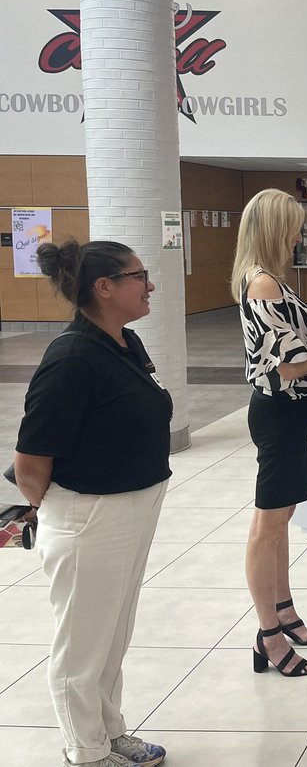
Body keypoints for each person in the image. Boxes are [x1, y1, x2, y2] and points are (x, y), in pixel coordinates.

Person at [14, 240, 170, 767]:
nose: (150, 285)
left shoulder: (124, 342)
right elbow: (31, 462)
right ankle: (85, 751)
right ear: (104, 287)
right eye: (139, 275)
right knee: (82, 642)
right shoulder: (71, 357)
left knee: (112, 633)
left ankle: (108, 729)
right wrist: (63, 513)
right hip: (88, 515)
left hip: (133, 506)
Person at [233, 188, 307, 678]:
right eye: (294, 226)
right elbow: (289, 364)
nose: (300, 235)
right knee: (267, 524)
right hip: (278, 412)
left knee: (282, 517)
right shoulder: (263, 286)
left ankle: (284, 610)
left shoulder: (269, 281)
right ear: (275, 228)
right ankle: (267, 634)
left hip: (289, 415)